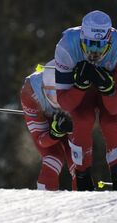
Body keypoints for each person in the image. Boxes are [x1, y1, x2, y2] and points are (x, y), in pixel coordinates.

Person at [54, 10, 117, 191]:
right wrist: (79, 86)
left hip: (109, 92)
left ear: (109, 41)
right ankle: (82, 178)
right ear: (81, 39)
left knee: (110, 123)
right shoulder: (66, 45)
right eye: (89, 44)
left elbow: (116, 108)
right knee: (82, 120)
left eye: (99, 45)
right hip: (82, 93)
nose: (93, 51)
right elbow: (65, 103)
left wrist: (108, 88)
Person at [20, 60, 76, 190]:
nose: (56, 100)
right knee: (53, 157)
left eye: (60, 93)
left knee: (78, 159)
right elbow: (41, 140)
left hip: (70, 112)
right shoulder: (30, 91)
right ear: (43, 87)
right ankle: (43, 201)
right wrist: (54, 134)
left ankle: (84, 202)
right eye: (51, 93)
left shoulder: (78, 90)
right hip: (43, 117)